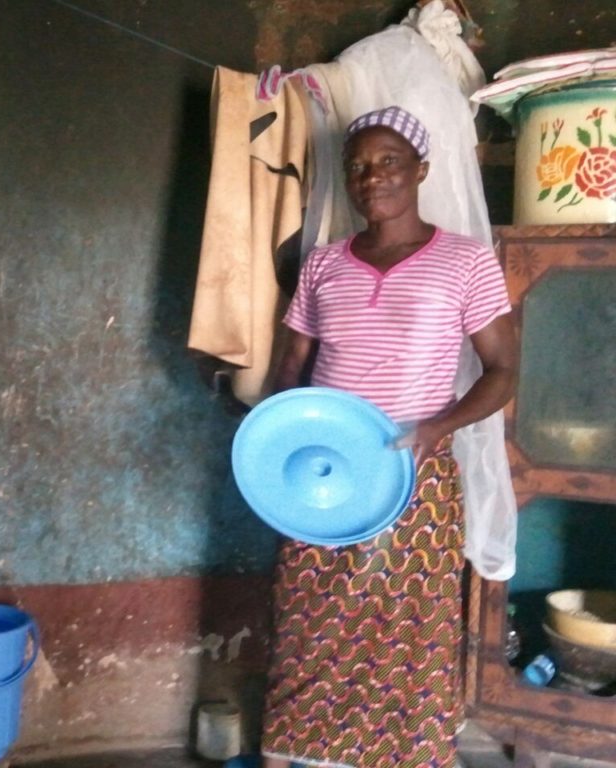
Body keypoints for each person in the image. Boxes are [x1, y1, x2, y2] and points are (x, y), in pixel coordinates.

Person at [260, 106, 517, 768]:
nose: (372, 177)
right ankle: (299, 750)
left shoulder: (465, 262)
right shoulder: (323, 264)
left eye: (388, 162)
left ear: (421, 170)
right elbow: (291, 367)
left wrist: (441, 425)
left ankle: (409, 755)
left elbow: (503, 371)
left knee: (409, 626)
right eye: (358, 166)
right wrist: (269, 446)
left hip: (414, 469)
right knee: (310, 617)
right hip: (321, 469)